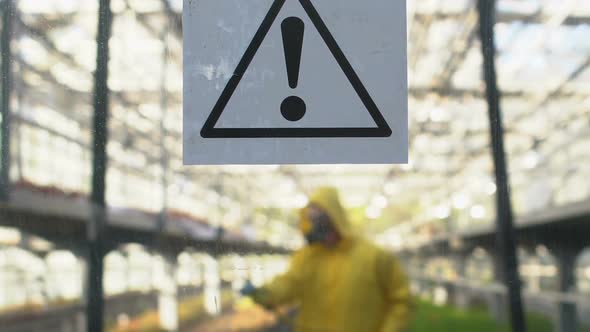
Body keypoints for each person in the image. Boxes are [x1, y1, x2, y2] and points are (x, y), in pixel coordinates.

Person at [241, 187, 412, 332]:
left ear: (335, 218)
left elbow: (401, 301)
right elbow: (288, 284)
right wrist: (265, 294)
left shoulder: (375, 257)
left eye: (320, 219)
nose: (314, 226)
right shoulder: (306, 257)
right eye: (311, 219)